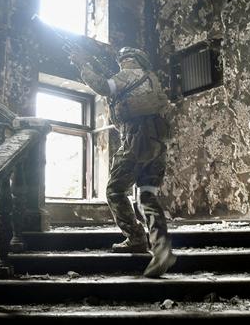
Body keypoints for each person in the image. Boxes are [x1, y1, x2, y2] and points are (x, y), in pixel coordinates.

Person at [69, 46, 176, 278]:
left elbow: (103, 87)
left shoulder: (129, 74)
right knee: (147, 195)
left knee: (114, 190)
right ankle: (162, 249)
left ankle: (136, 237)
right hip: (157, 144)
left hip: (136, 141)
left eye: (126, 58)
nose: (123, 62)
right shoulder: (152, 79)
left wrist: (82, 65)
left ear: (135, 60)